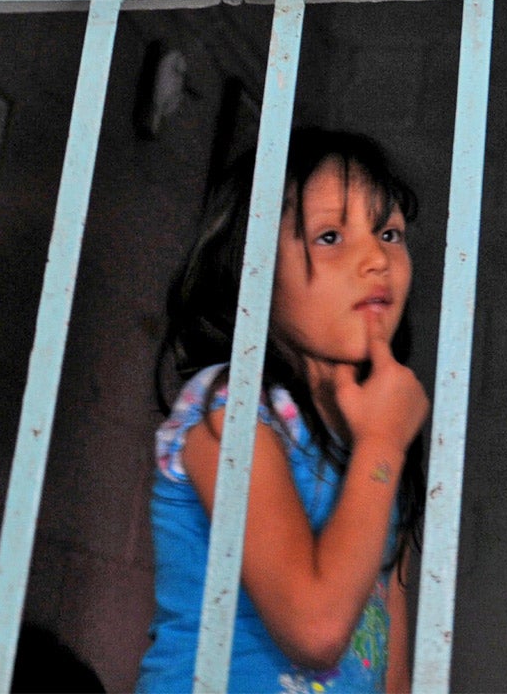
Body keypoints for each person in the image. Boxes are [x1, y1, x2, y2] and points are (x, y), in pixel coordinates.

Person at [137, 130, 429, 694]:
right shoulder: (231, 411)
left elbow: (389, 657)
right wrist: (383, 447)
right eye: (329, 236)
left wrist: (381, 443)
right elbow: (315, 630)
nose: (377, 258)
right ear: (252, 272)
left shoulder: (370, 428)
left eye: (389, 232)